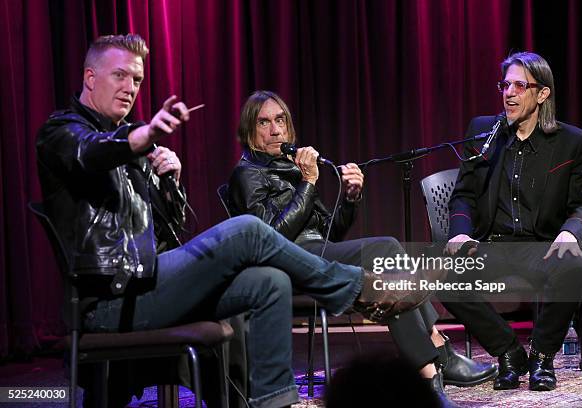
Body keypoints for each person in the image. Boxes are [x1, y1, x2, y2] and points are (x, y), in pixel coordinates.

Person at [36, 34, 426, 408]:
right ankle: (355, 288)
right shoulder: (62, 132)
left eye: (136, 79)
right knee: (248, 230)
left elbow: (170, 230)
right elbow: (88, 153)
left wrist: (170, 183)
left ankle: (273, 403)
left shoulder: (129, 143)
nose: (130, 86)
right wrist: (142, 137)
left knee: (267, 282)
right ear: (90, 77)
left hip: (150, 280)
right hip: (109, 299)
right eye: (119, 75)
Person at [227, 90, 498, 406]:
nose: (275, 130)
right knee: (386, 249)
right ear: (249, 130)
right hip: (286, 262)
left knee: (388, 263)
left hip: (317, 252)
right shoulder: (247, 174)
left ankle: (434, 355)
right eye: (264, 122)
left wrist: (351, 197)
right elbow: (272, 237)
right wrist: (309, 184)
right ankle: (432, 362)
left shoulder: (289, 168)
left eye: (280, 121)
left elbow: (332, 231)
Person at [443, 51, 582, 391]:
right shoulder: (484, 131)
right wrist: (460, 234)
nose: (509, 93)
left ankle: (542, 358)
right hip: (493, 244)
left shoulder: (571, 141)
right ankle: (509, 352)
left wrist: (571, 233)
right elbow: (464, 195)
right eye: (505, 84)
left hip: (542, 246)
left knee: (573, 268)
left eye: (519, 85)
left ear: (542, 94)